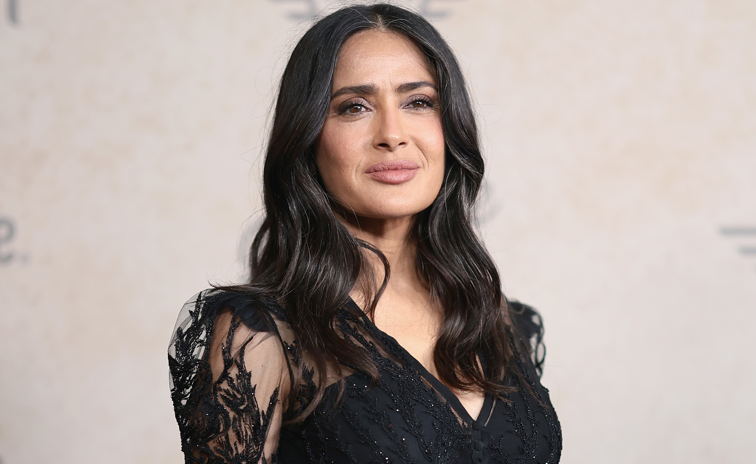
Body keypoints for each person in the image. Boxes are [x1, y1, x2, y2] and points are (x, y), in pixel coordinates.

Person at [168, 4, 561, 463]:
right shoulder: (260, 335)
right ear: (308, 136)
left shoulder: (505, 324)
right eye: (354, 107)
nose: (392, 134)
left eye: (418, 102)